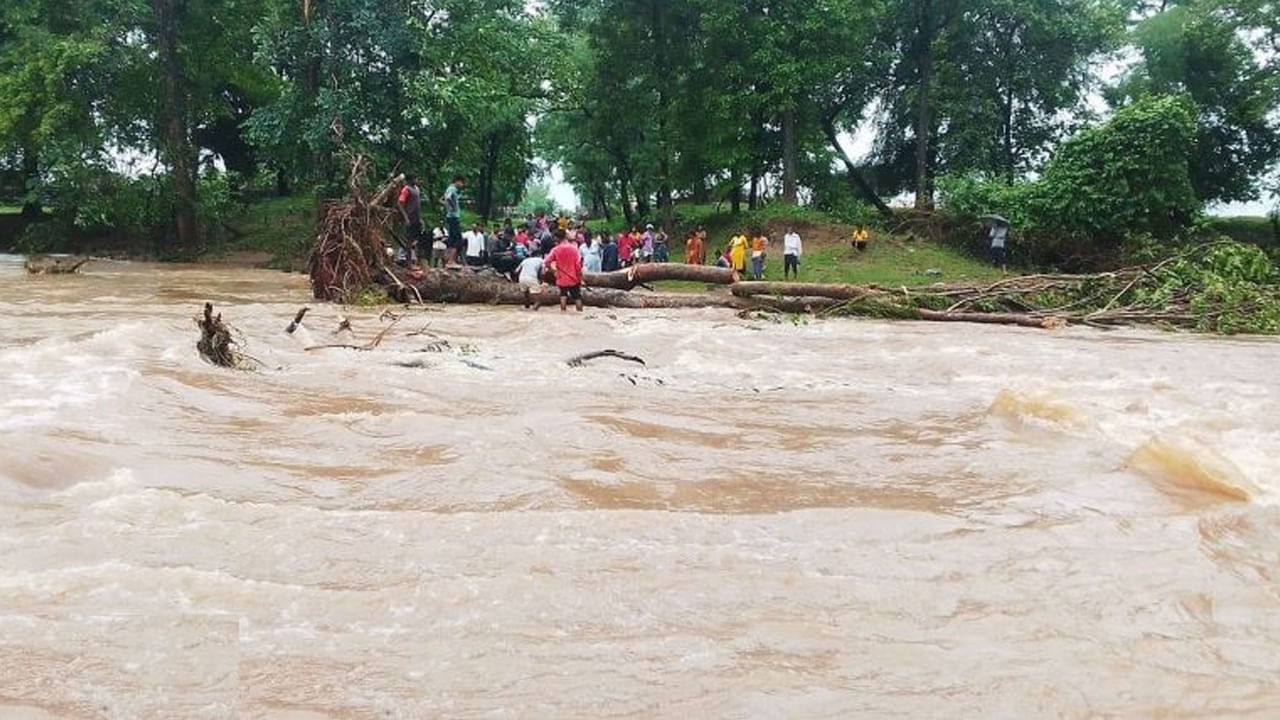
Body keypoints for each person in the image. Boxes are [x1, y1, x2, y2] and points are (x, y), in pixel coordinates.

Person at [546, 230, 585, 312]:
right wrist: (580, 277)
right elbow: (578, 265)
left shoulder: (555, 250)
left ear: (557, 238)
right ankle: (580, 315)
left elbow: (547, 262)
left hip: (561, 278)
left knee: (563, 296)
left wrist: (554, 271)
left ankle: (563, 314)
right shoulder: (574, 249)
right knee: (577, 297)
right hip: (573, 278)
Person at [398, 174, 424, 264]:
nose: (416, 180)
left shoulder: (417, 189)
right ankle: (408, 261)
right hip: (410, 217)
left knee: (417, 240)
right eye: (415, 178)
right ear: (410, 180)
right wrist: (406, 218)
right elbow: (400, 203)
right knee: (408, 240)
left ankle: (415, 260)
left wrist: (420, 218)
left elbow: (418, 205)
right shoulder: (406, 189)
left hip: (416, 218)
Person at [440, 175, 465, 265]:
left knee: (451, 239)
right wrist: (453, 207)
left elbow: (442, 199)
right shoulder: (453, 189)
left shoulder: (449, 189)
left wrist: (447, 206)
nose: (462, 185)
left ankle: (447, 259)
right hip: (453, 217)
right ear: (458, 181)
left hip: (450, 216)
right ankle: (451, 260)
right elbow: (448, 198)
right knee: (457, 239)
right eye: (462, 183)